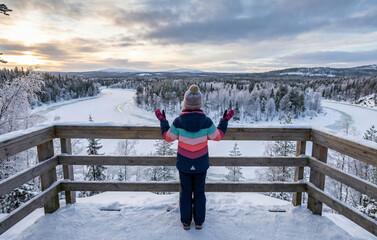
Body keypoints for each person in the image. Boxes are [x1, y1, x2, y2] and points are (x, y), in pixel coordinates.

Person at [155, 84, 234, 230]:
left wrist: (163, 121)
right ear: (199, 104)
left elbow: (168, 138)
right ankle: (199, 222)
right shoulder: (207, 121)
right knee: (199, 192)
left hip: (184, 163)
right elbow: (217, 137)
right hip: (201, 163)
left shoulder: (178, 121)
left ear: (185, 103)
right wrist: (224, 121)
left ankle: (186, 222)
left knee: (185, 192)